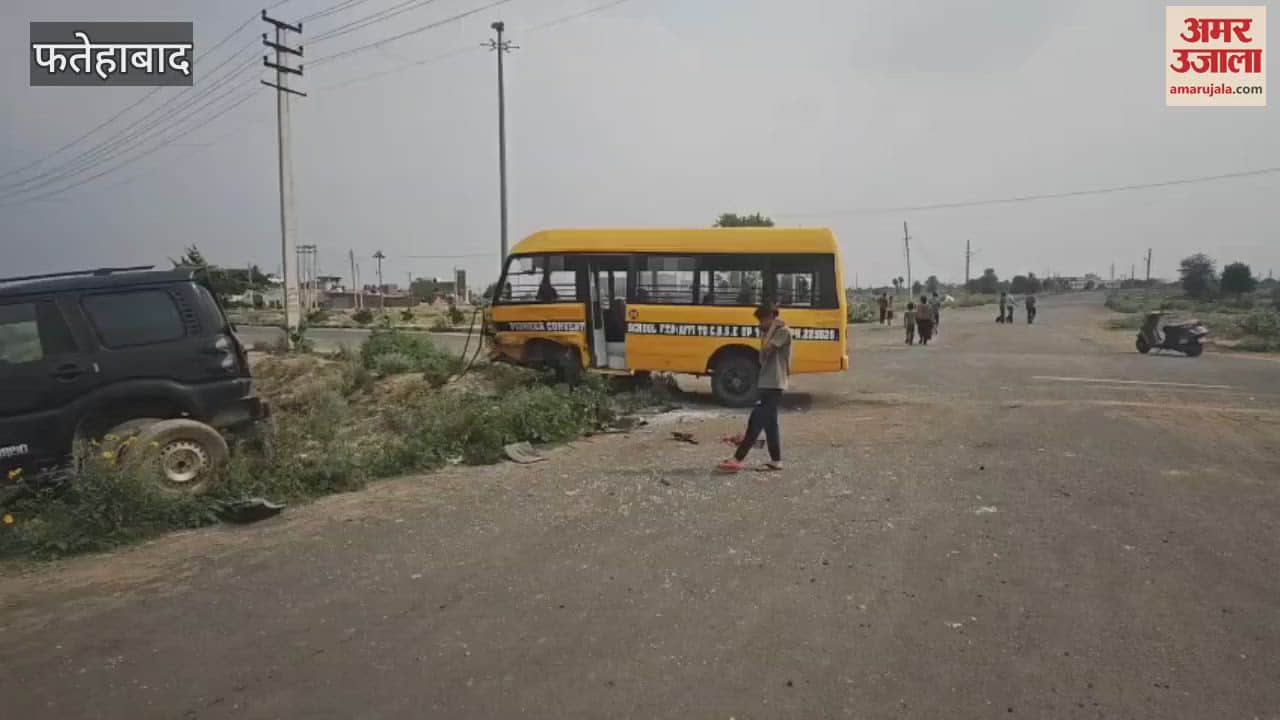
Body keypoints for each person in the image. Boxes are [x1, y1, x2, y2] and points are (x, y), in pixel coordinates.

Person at [718, 303, 792, 472]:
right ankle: (776, 460)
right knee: (770, 425)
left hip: (774, 383)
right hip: (766, 383)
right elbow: (762, 358)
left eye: (763, 320)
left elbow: (766, 350)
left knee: (756, 421)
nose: (760, 324)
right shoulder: (769, 333)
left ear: (773, 317)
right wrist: (769, 330)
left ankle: (737, 458)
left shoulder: (782, 332)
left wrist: (773, 327)